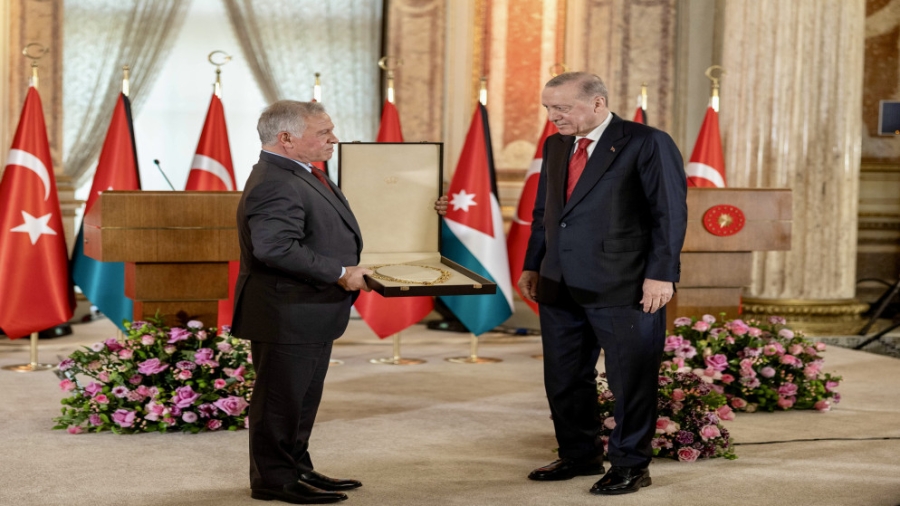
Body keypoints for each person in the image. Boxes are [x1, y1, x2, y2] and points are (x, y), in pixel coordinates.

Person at [232, 100, 448, 504]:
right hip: (286, 312)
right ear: (286, 138)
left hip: (307, 309)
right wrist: (339, 272)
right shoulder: (275, 181)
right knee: (280, 400)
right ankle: (273, 480)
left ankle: (297, 467)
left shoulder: (300, 172)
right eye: (323, 132)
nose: (334, 139)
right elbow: (275, 248)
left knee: (301, 398)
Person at [518, 72, 687, 496]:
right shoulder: (556, 145)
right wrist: (533, 265)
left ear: (597, 103)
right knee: (564, 377)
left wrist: (662, 275)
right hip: (559, 281)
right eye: (548, 108)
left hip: (625, 284)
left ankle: (631, 465)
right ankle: (579, 455)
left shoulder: (647, 142)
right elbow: (545, 213)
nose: (553, 116)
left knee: (629, 380)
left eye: (562, 107)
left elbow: (668, 213)